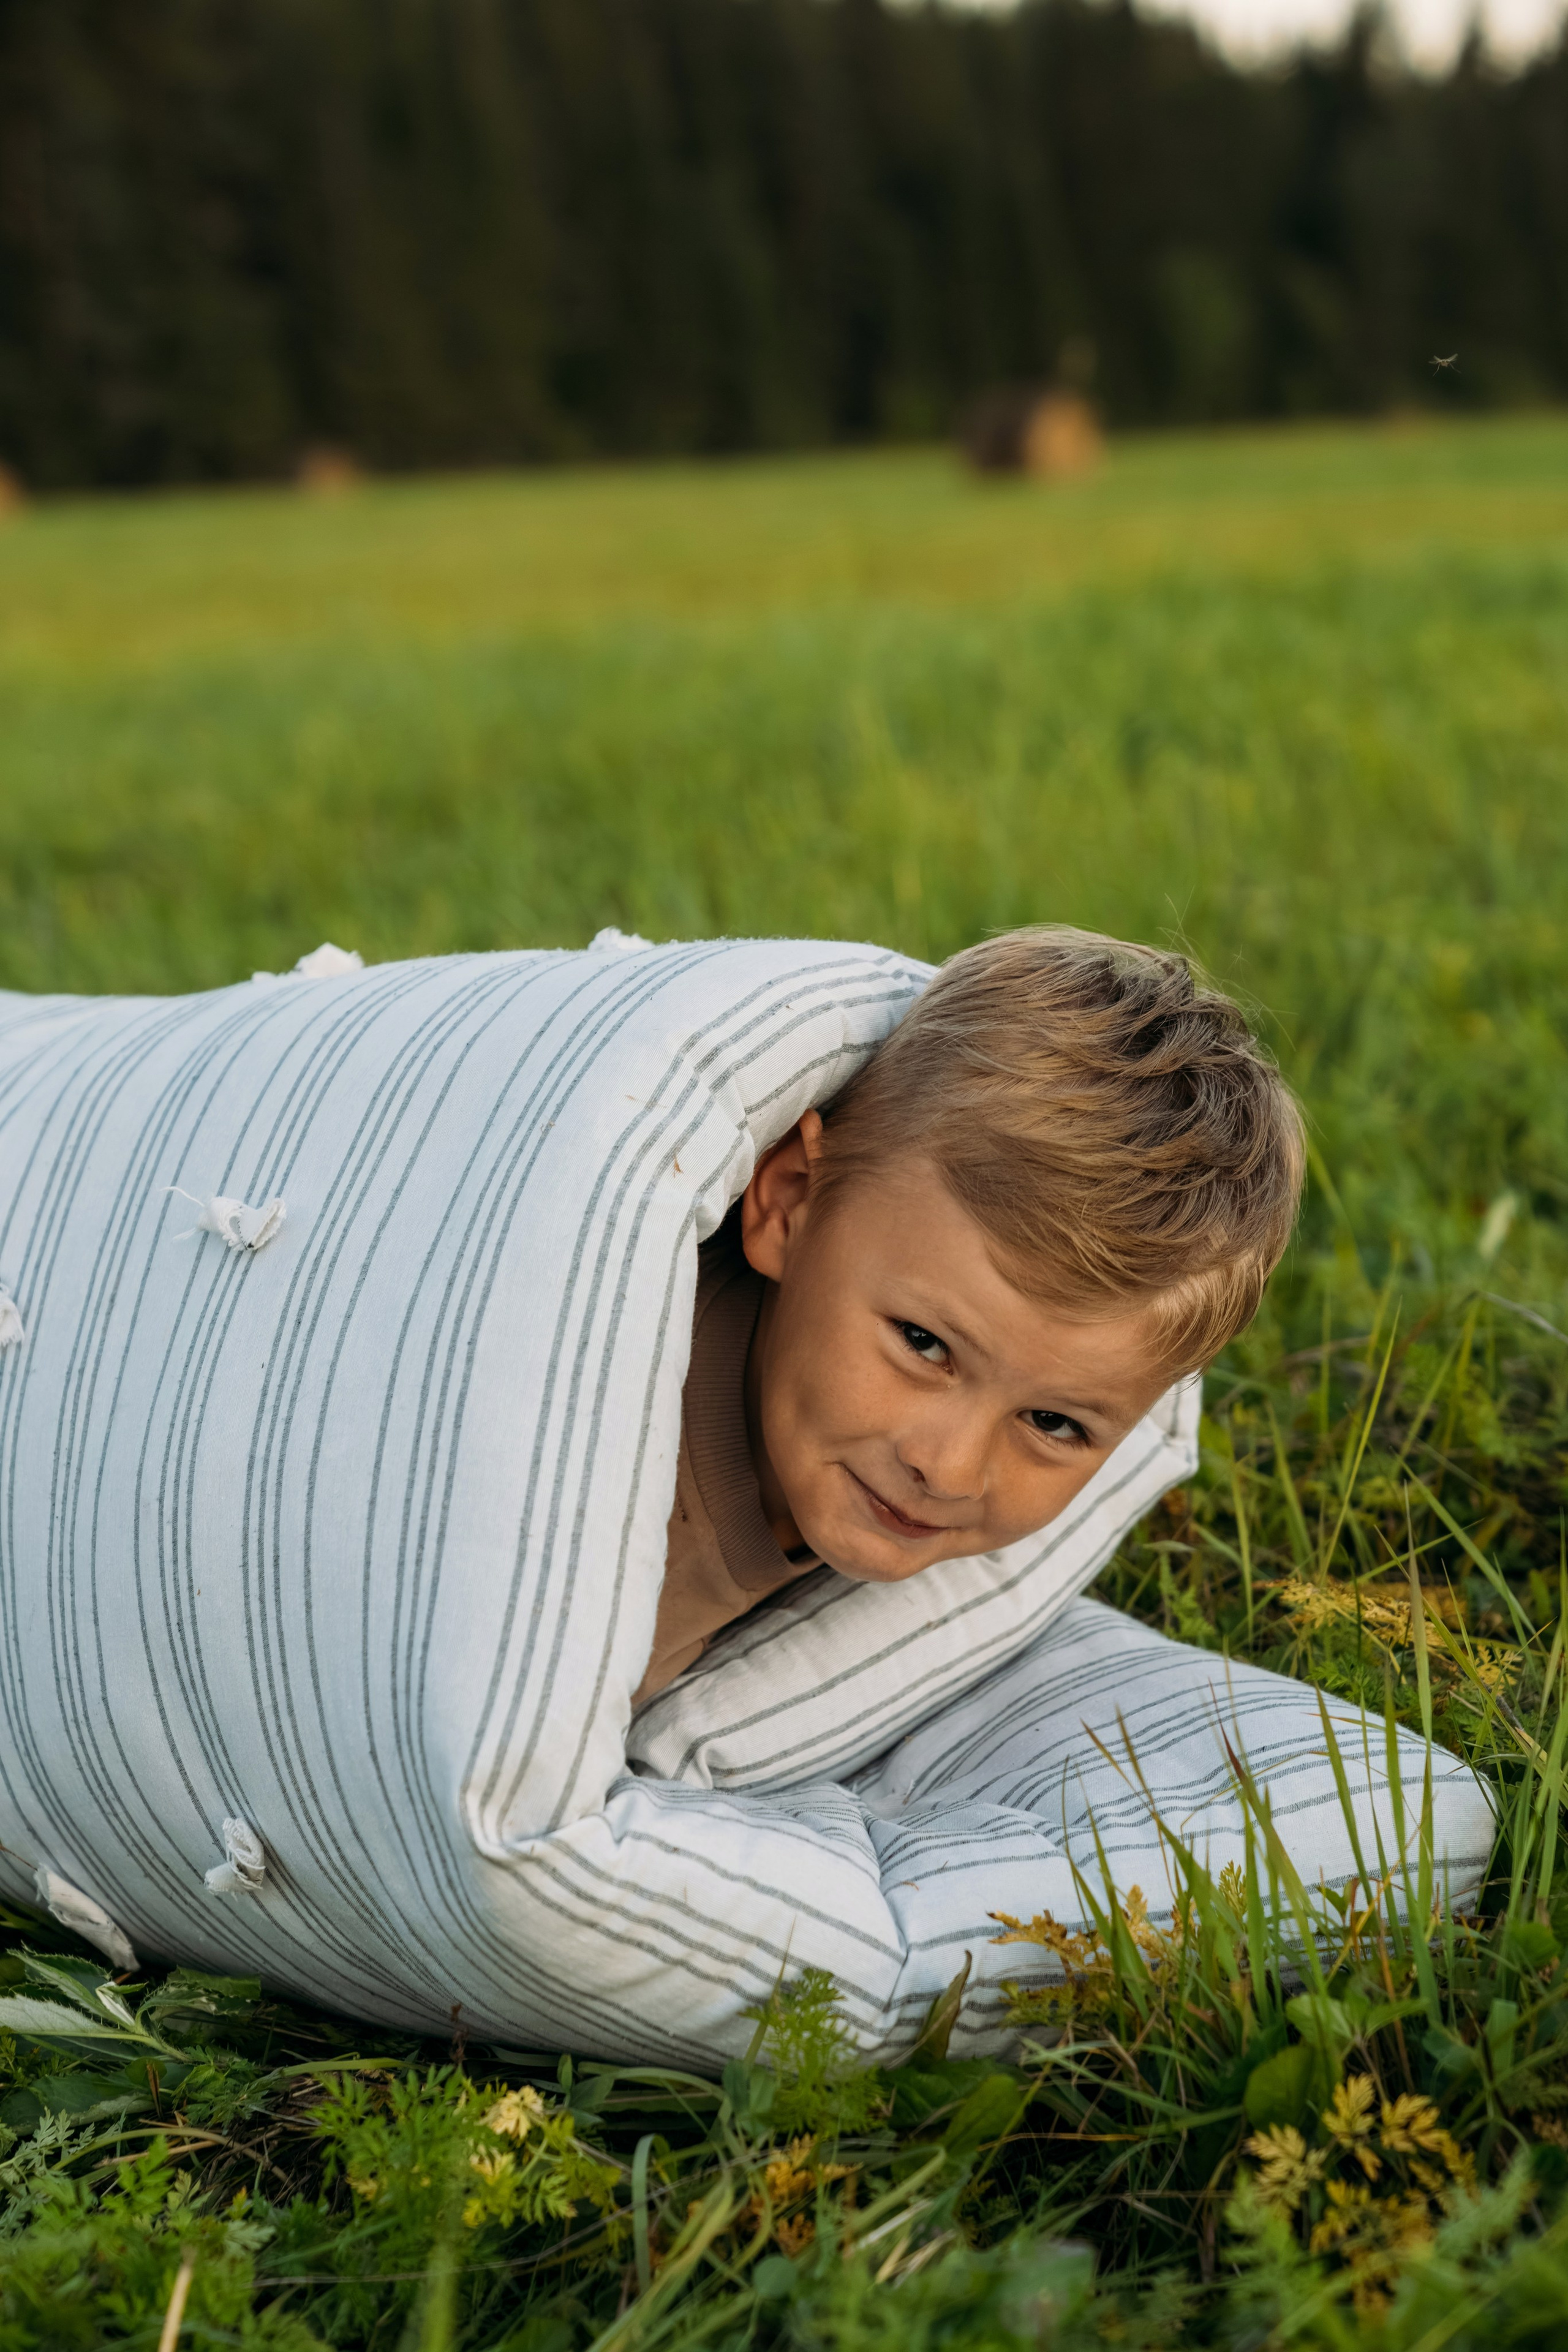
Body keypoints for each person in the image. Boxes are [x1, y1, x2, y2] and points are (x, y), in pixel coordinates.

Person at [633, 925, 1304, 1705]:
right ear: (787, 1202)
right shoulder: (623, 1510)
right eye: (923, 1345)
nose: (945, 1470)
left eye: (1053, 1424)